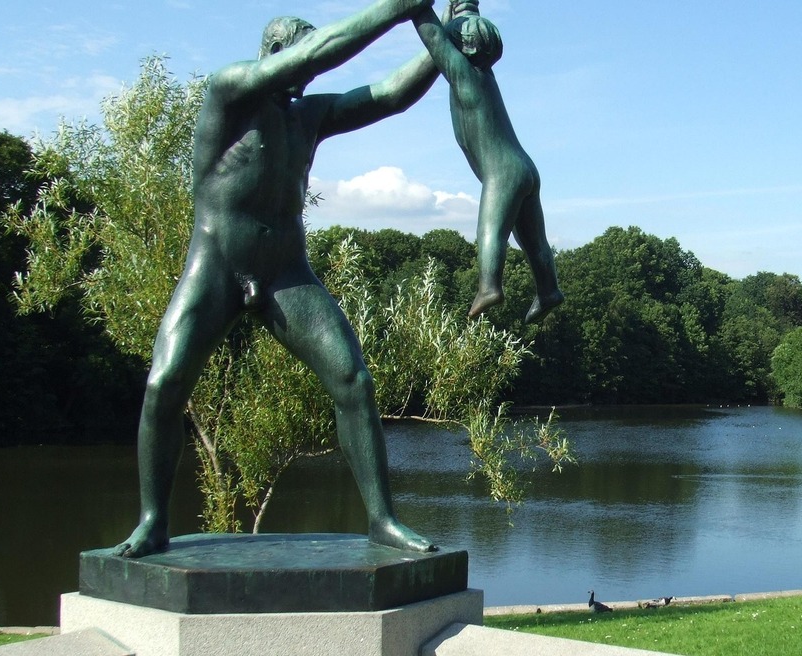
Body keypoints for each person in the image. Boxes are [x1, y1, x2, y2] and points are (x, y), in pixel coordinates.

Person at [115, 0, 444, 558]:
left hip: (287, 273)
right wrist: (397, 7)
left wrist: (445, 38)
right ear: (271, 54)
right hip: (216, 266)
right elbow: (316, 54)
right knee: (163, 384)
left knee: (352, 381)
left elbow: (390, 95)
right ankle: (152, 521)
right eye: (299, 57)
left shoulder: (307, 117)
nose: (309, 71)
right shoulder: (230, 90)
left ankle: (383, 519)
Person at [412, 0, 563, 323]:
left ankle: (489, 286)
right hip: (525, 168)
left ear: (461, 48)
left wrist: (417, 8)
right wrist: (462, 7)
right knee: (533, 240)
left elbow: (433, 38)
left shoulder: (464, 77)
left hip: (503, 172)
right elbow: (452, 33)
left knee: (490, 232)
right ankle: (548, 289)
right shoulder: (485, 76)